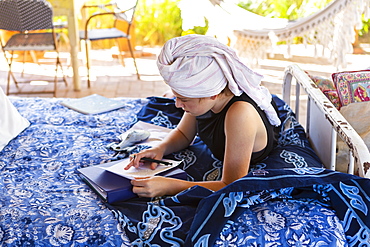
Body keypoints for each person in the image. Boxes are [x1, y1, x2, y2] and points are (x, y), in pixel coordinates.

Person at [125, 34, 281, 198]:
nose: (177, 104)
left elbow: (232, 184)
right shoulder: (204, 101)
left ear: (213, 95)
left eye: (183, 99)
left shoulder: (240, 114)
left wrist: (171, 186)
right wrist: (160, 149)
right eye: (177, 96)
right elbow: (184, 134)